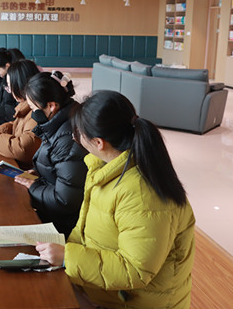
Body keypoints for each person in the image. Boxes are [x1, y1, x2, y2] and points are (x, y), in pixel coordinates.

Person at [36, 90, 195, 309]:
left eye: (78, 135)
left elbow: (135, 270)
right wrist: (63, 250)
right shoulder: (106, 168)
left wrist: (67, 257)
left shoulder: (141, 194)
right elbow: (85, 231)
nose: (76, 139)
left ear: (99, 142)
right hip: (101, 292)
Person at [14, 71, 88, 238]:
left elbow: (65, 200)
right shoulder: (56, 124)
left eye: (33, 108)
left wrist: (33, 187)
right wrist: (39, 174)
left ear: (51, 106)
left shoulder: (68, 138)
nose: (32, 113)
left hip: (63, 225)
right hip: (53, 212)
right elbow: (60, 171)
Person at [0, 59, 41, 169]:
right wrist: (0, 131)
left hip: (26, 169)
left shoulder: (36, 110)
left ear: (21, 85)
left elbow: (24, 149)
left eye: (10, 86)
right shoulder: (25, 105)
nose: (9, 91)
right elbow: (17, 125)